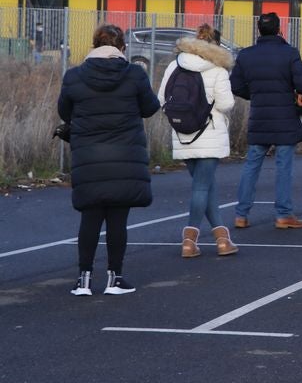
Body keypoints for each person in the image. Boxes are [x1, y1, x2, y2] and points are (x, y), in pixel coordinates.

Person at [59, 24, 160, 296]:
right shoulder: (134, 74)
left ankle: (84, 280)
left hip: (89, 156)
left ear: (94, 45)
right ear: (122, 47)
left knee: (90, 218)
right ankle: (115, 278)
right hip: (125, 155)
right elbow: (150, 107)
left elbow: (64, 111)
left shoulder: (74, 76)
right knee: (118, 219)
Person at [158, 24, 239, 257]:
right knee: (202, 186)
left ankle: (222, 237)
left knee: (205, 185)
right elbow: (225, 104)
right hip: (209, 133)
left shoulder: (175, 65)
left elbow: (162, 98)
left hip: (183, 133)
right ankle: (189, 239)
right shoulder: (218, 70)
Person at [230, 12, 302, 230]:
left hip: (259, 116)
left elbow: (236, 86)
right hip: (285, 118)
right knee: (283, 166)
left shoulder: (246, 55)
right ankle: (283, 214)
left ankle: (241, 214)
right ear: (279, 29)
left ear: (258, 29)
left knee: (252, 165)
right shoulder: (289, 53)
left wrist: (256, 94)